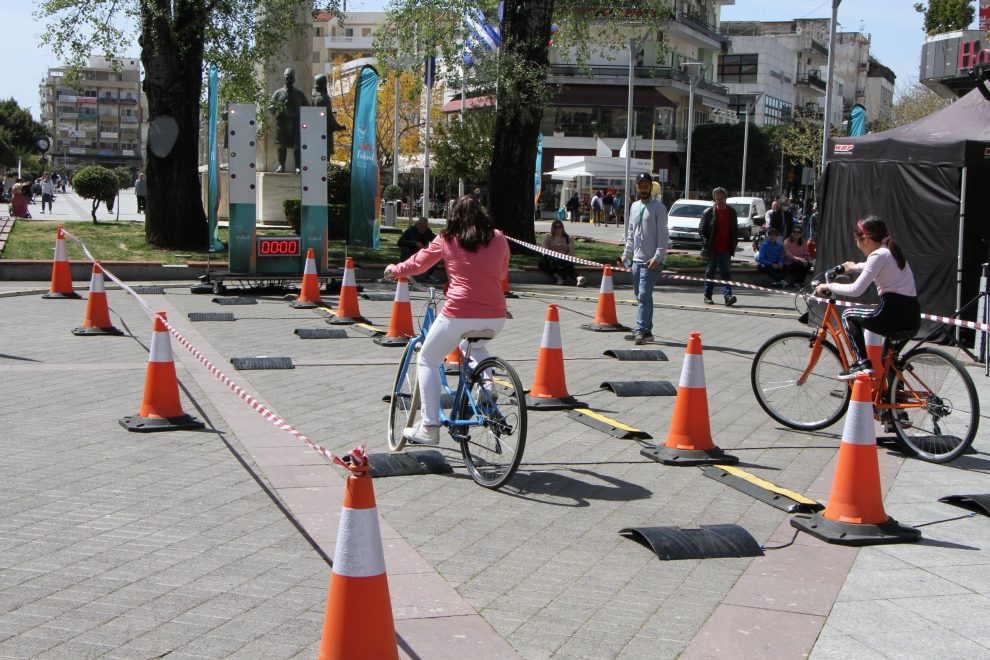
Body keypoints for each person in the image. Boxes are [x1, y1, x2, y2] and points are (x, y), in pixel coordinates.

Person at [384, 195, 510, 445]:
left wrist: (394, 269)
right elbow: (502, 272)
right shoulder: (498, 237)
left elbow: (419, 264)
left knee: (428, 359)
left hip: (459, 312)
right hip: (496, 314)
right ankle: (487, 385)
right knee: (473, 345)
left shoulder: (447, 237)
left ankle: (429, 426)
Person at [815, 216, 919, 381]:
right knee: (889, 360)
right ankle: (894, 402)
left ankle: (862, 364)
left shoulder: (878, 255)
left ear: (866, 239)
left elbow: (856, 290)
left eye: (857, 240)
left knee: (848, 315)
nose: (857, 244)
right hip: (911, 316)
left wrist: (829, 286)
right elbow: (871, 267)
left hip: (892, 313)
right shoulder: (890, 251)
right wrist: (853, 267)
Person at [618, 172, 669, 345]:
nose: (644, 188)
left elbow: (663, 236)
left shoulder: (659, 208)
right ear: (636, 187)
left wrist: (657, 257)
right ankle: (647, 331)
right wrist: (626, 253)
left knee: (644, 295)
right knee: (641, 296)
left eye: (647, 185)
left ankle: (640, 330)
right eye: (641, 185)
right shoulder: (634, 206)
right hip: (637, 260)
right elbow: (632, 234)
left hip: (651, 261)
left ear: (651, 187)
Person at [698, 186, 738, 306]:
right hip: (712, 249)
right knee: (710, 273)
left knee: (726, 272)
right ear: (714, 199)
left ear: (725, 198)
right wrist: (706, 245)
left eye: (722, 198)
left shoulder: (732, 212)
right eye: (717, 199)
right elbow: (701, 229)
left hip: (726, 249)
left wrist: (734, 244)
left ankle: (728, 297)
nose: (719, 201)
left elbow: (735, 230)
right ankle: (707, 296)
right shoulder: (709, 212)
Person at [269, 67, 309, 173]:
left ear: (294, 79)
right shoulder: (278, 93)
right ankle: (281, 166)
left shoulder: (299, 94)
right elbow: (271, 106)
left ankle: (298, 166)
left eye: (291, 78)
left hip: (296, 123)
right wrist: (277, 106)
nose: (289, 80)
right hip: (282, 123)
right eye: (287, 78)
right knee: (282, 146)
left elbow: (308, 107)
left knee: (297, 146)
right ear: (284, 78)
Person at [539, 220, 585, 286]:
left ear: (562, 228)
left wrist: (564, 257)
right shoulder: (548, 238)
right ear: (553, 228)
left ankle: (578, 278)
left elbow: (571, 252)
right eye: (555, 227)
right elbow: (544, 251)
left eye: (559, 227)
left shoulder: (567, 238)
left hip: (564, 257)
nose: (558, 229)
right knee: (542, 263)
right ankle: (563, 277)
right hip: (552, 258)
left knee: (567, 263)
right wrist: (552, 256)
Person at [311, 74, 347, 156]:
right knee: (325, 155)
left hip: (313, 131)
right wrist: (338, 126)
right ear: (324, 84)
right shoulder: (325, 97)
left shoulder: (312, 97)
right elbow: (329, 115)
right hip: (324, 130)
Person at [397, 216, 439, 282]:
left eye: (425, 227)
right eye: (421, 226)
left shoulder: (428, 231)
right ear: (417, 225)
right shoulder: (411, 230)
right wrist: (414, 243)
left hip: (423, 252)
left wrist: (429, 245)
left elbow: (435, 240)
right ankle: (404, 273)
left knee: (435, 253)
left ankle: (430, 275)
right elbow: (400, 242)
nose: (423, 229)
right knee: (405, 250)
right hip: (411, 251)